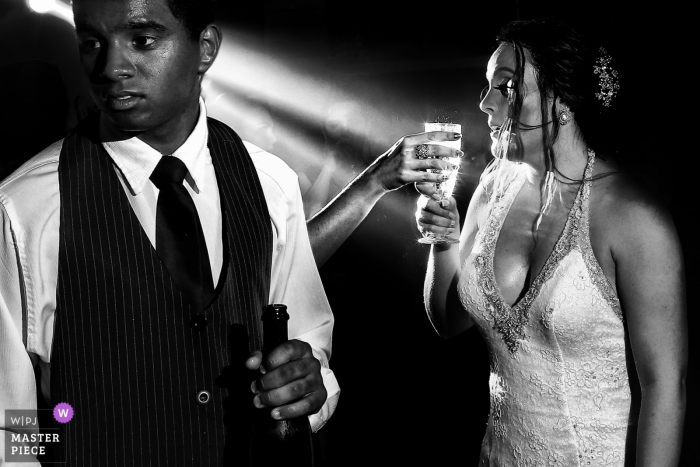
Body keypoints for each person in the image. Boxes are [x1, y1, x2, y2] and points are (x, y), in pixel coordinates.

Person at [0, 0, 338, 465]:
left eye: (141, 40)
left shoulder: (269, 182)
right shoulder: (25, 206)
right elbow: (8, 424)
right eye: (91, 43)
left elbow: (307, 339)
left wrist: (310, 381)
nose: (111, 67)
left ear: (205, 48)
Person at [415, 18, 686, 465]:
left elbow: (665, 386)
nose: (485, 104)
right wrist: (441, 240)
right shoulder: (493, 186)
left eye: (505, 88)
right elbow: (448, 322)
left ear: (560, 98)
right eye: (487, 86)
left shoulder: (632, 219)